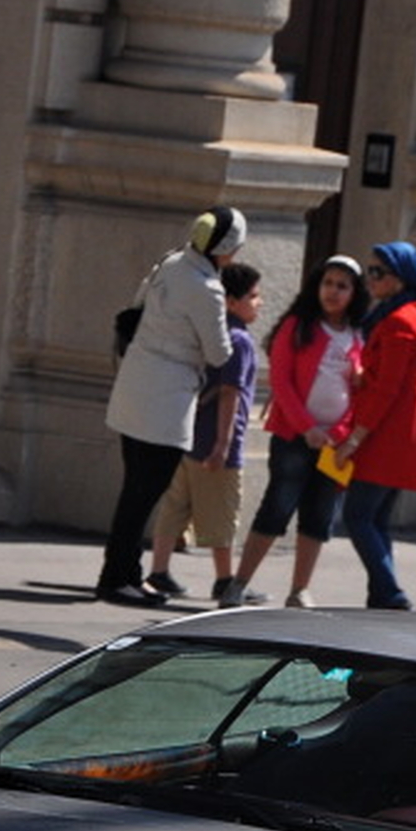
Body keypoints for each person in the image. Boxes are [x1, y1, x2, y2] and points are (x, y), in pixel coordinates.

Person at [96, 204, 246, 607]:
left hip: (135, 381)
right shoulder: (208, 289)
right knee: (144, 493)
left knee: (134, 488)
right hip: (168, 396)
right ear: (226, 246)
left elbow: (137, 306)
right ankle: (115, 578)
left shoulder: (172, 261)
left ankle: (128, 572)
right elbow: (218, 353)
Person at [221, 254, 365, 608]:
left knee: (318, 516)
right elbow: (281, 383)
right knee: (277, 507)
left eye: (342, 286)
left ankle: (299, 589)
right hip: (292, 436)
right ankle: (238, 584)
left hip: (336, 443)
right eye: (327, 283)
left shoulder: (360, 335)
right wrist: (307, 428)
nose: (332, 292)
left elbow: (363, 393)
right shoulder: (297, 326)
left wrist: (341, 431)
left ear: (354, 293)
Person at [334, 241, 416, 610]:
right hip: (406, 427)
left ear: (399, 280)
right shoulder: (415, 314)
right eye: (369, 271)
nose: (370, 279)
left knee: (358, 515)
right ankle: (381, 595)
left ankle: (391, 593)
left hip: (391, 430)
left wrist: (356, 437)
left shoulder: (399, 321)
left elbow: (389, 388)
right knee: (377, 518)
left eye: (377, 273)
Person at [145, 262, 263, 608]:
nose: (260, 302)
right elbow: (231, 393)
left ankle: (159, 569)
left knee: (175, 506)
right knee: (222, 513)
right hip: (216, 441)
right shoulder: (239, 340)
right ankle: (225, 579)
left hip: (187, 434)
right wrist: (223, 444)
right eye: (253, 296)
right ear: (230, 300)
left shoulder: (210, 330)